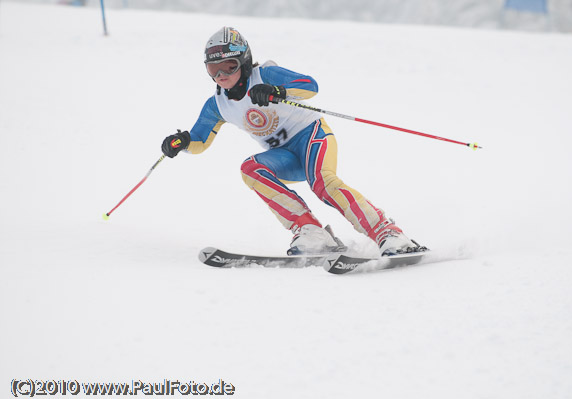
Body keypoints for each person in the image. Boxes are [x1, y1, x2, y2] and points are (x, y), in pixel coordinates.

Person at [162, 27, 423, 256]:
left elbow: (310, 86)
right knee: (250, 169)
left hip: (312, 137)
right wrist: (181, 142)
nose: (220, 75)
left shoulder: (265, 74)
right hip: (284, 155)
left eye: (228, 66)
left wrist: (278, 91)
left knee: (323, 184)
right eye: (212, 69)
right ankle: (311, 231)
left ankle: (388, 233)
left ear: (244, 61)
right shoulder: (216, 104)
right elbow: (200, 141)